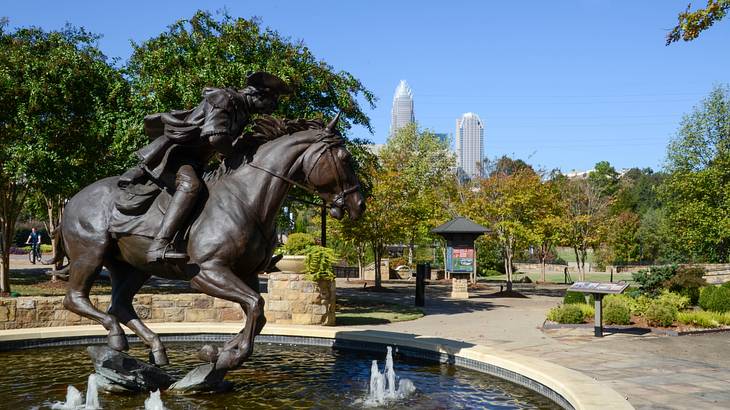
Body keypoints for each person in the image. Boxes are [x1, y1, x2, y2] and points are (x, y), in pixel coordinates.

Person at [118, 72, 290, 263]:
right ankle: (160, 244)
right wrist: (236, 157)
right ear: (258, 94)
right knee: (190, 186)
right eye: (272, 101)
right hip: (179, 157)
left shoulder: (242, 111)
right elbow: (215, 136)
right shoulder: (224, 99)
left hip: (199, 162)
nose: (273, 108)